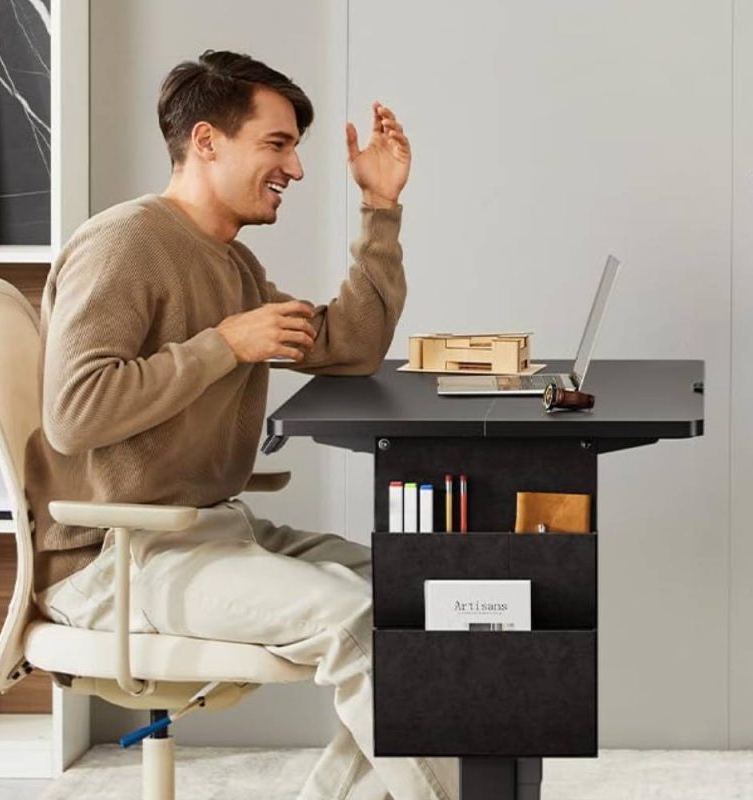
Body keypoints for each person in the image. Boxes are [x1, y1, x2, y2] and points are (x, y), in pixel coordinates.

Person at [24, 50, 448, 800]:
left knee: (425, 597)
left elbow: (351, 345)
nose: (297, 167)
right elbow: (74, 412)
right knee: (351, 619)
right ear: (207, 142)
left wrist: (381, 208)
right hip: (117, 559)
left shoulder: (235, 266)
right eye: (277, 144)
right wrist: (227, 344)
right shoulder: (123, 243)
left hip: (206, 529)